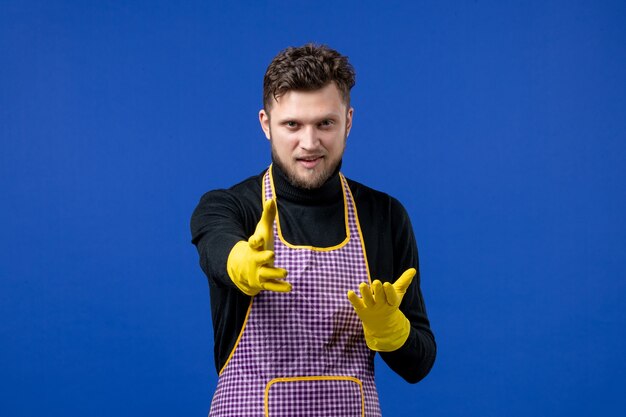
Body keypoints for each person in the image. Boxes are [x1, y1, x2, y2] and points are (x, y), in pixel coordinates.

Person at [190, 43, 436, 417]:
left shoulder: (384, 216)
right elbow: (216, 245)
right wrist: (240, 262)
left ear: (348, 121)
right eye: (292, 124)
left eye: (325, 123)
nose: (309, 143)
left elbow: (419, 364)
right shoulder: (231, 207)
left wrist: (393, 332)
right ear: (265, 123)